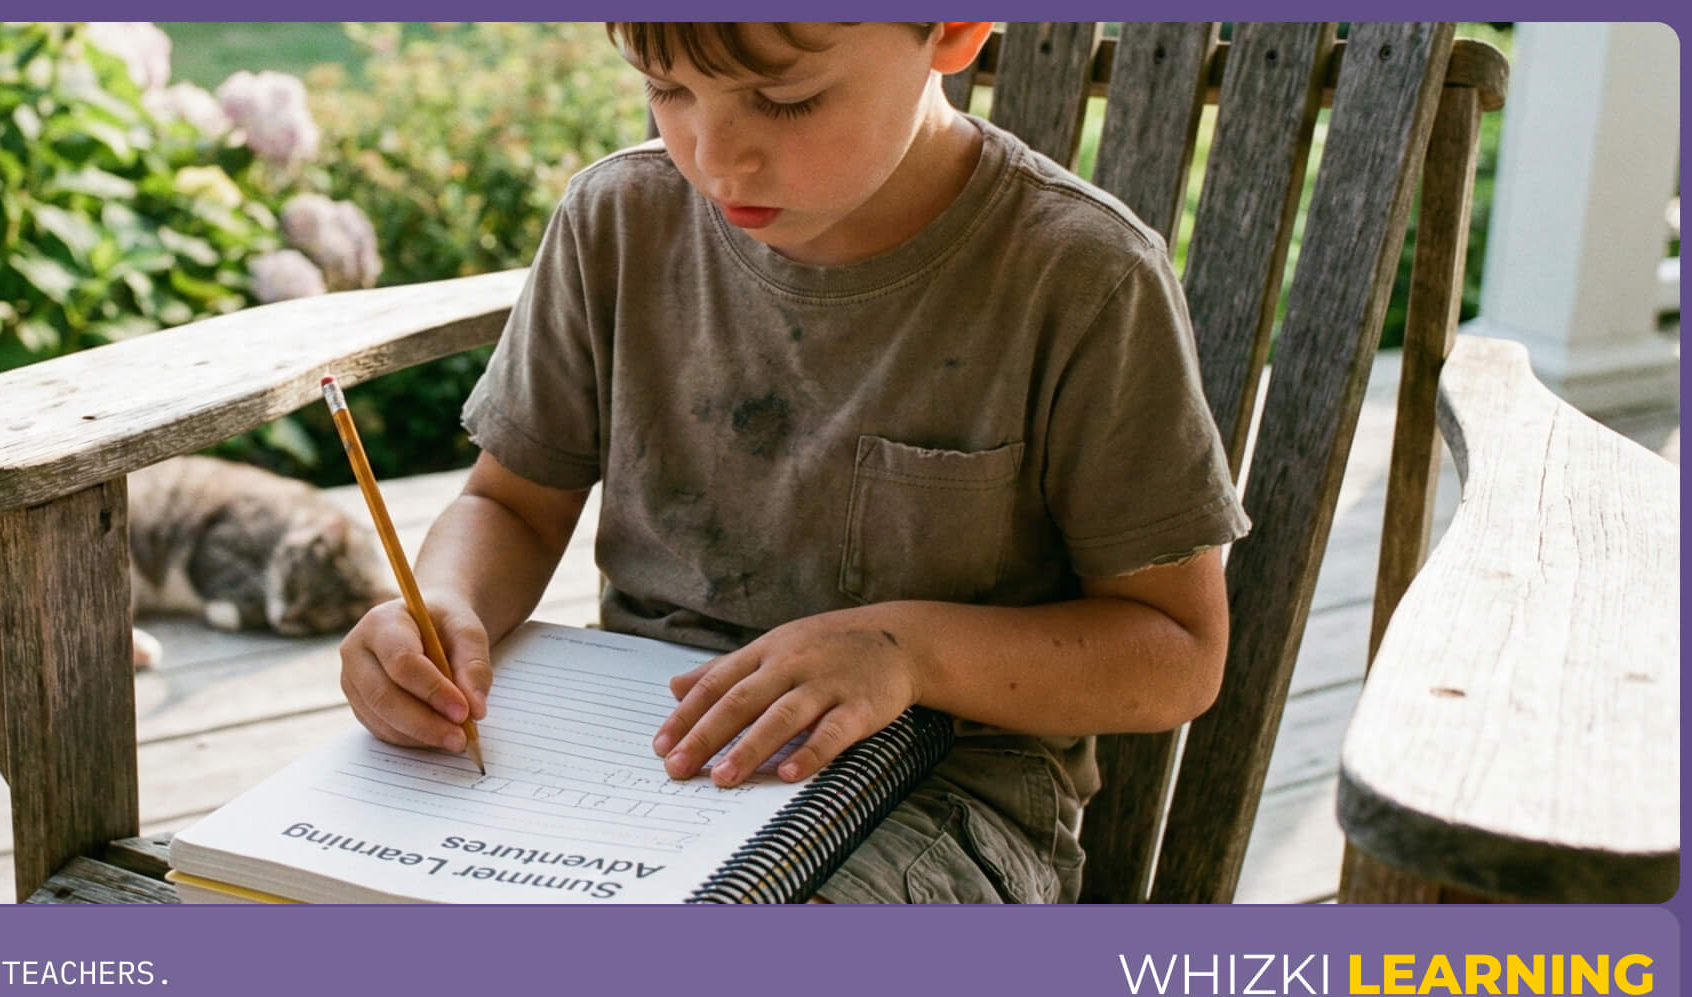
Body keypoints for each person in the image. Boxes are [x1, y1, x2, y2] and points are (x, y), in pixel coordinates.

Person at [336, 21, 1249, 904]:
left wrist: (904, 653)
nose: (717, 157)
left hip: (935, 791)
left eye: (786, 101)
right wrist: (444, 605)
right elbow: (511, 507)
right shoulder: (617, 220)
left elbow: (1177, 655)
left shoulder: (1080, 276)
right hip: (628, 756)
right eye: (668, 90)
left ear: (956, 31)